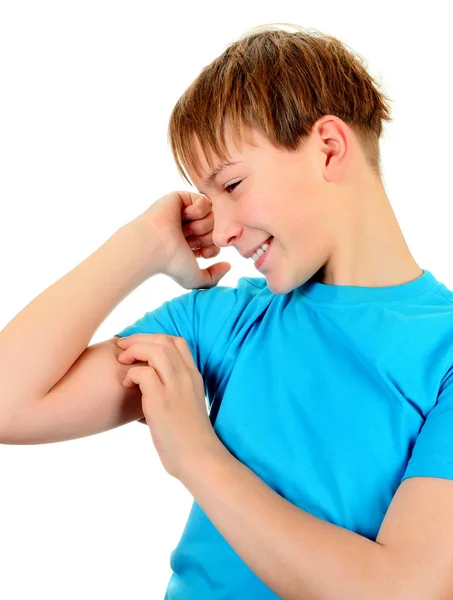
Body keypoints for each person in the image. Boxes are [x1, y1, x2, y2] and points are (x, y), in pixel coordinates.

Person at [2, 22, 453, 599]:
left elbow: (403, 592)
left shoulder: (444, 355)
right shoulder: (222, 322)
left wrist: (197, 455)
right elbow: (7, 404)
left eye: (233, 185)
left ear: (329, 147)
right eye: (206, 200)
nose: (223, 229)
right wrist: (139, 246)